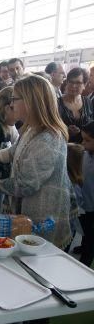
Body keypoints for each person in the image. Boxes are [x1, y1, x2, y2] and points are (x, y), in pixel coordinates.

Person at [0, 74, 72, 249]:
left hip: (44, 217)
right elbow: (13, 152)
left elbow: (26, 185)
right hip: (28, 213)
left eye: (15, 99)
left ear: (31, 102)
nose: (11, 104)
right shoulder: (31, 129)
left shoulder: (48, 140)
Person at [58, 67, 93, 143]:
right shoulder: (56, 103)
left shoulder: (88, 102)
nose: (73, 86)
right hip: (62, 146)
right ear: (66, 82)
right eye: (71, 82)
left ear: (85, 84)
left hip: (84, 149)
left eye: (78, 83)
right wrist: (66, 130)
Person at [79, 122, 94, 266]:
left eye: (87, 140)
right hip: (84, 202)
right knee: (84, 228)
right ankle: (83, 246)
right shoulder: (86, 154)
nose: (83, 143)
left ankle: (85, 262)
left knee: (91, 236)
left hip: (92, 204)